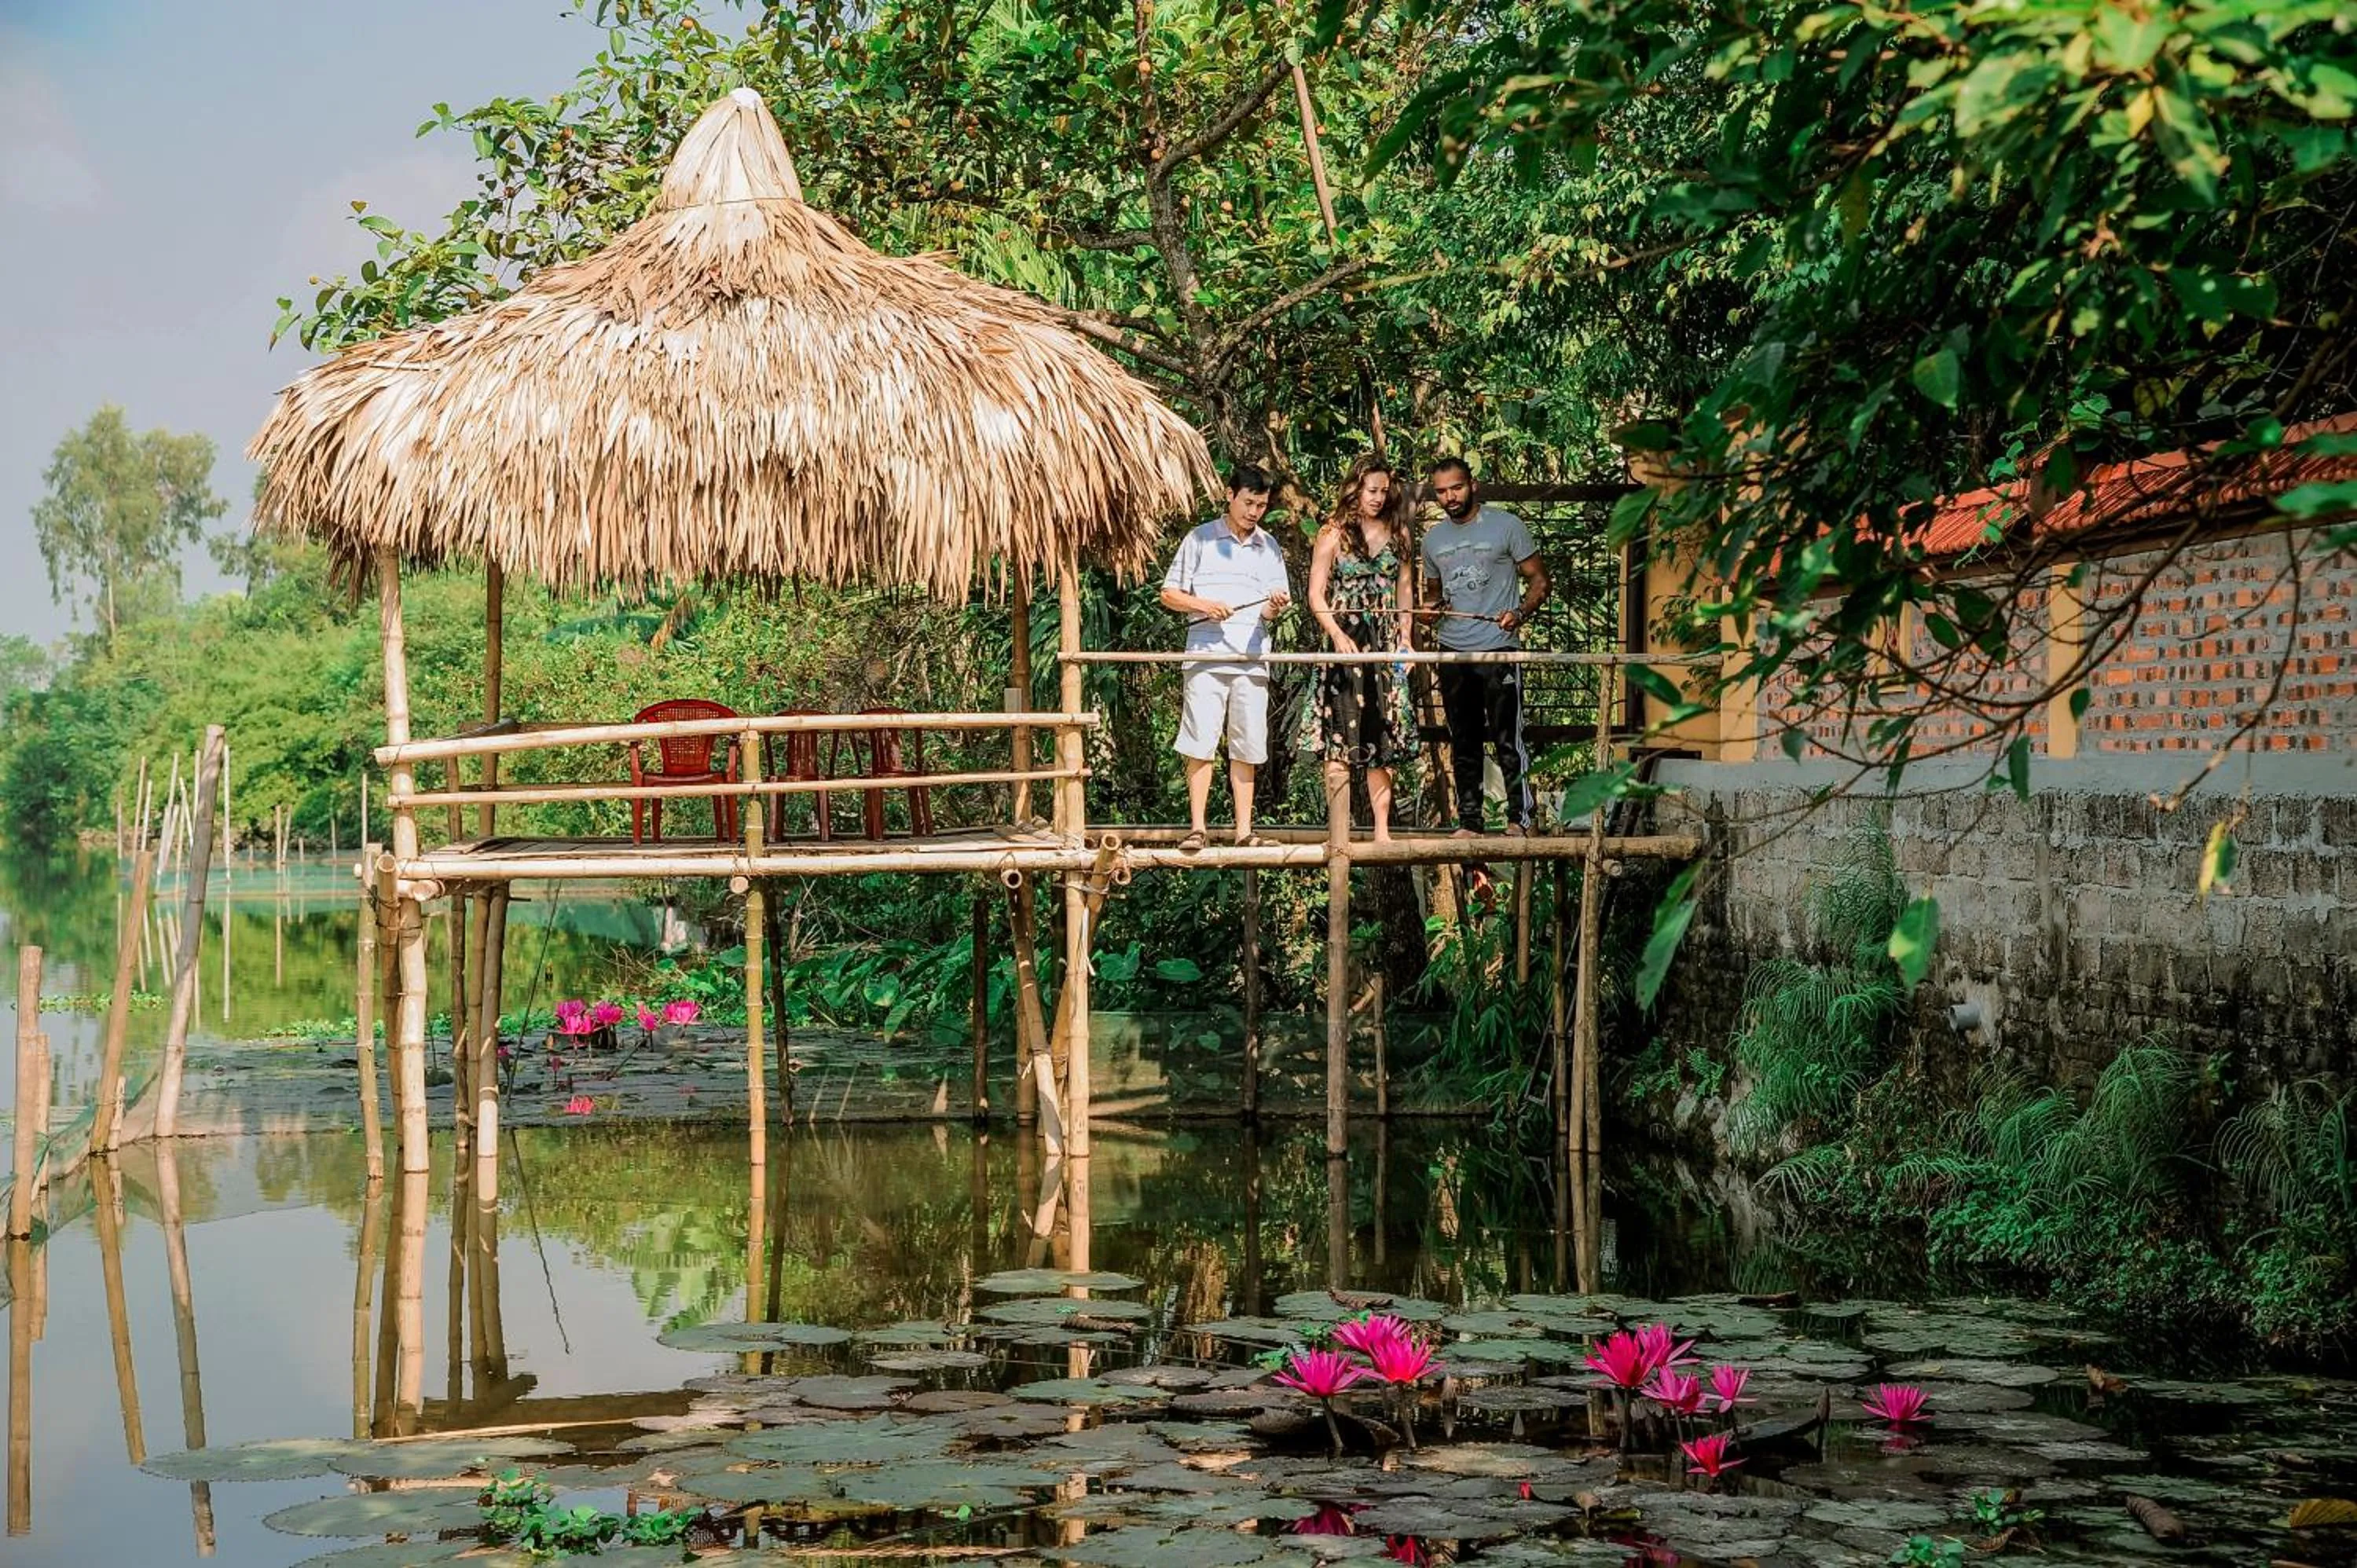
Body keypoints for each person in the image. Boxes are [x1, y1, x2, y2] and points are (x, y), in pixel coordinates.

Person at [1159, 464, 1292, 852]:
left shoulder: (1269, 546)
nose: (1254, 511)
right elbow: (1169, 593)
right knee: (1200, 739)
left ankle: (1244, 831)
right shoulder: (1199, 539)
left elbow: (1270, 611)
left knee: (1247, 743)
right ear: (1229, 495)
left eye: (1262, 505)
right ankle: (1197, 827)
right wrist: (1204, 605)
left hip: (1251, 658)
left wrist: (1274, 606)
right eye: (1248, 502)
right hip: (1205, 656)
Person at [1420, 456, 1549, 837]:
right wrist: (1431, 612)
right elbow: (1432, 596)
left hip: (1498, 650)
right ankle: (1470, 823)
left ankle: (1520, 819)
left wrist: (1520, 612)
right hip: (1453, 650)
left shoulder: (1507, 525)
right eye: (1441, 491)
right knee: (1463, 740)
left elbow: (1540, 581)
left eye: (1456, 487)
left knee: (1508, 737)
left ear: (1472, 485)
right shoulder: (1433, 539)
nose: (1450, 496)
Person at [1309, 454, 1415, 842]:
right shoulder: (1332, 532)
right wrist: (1336, 635)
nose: (1378, 498)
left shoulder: (1399, 533)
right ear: (1356, 488)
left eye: (1384, 491)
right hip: (1346, 639)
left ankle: (1382, 831)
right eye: (1372, 490)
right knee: (1339, 734)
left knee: (1383, 735)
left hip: (1385, 642)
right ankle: (1338, 831)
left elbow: (1406, 593)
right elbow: (1315, 595)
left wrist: (1406, 640)